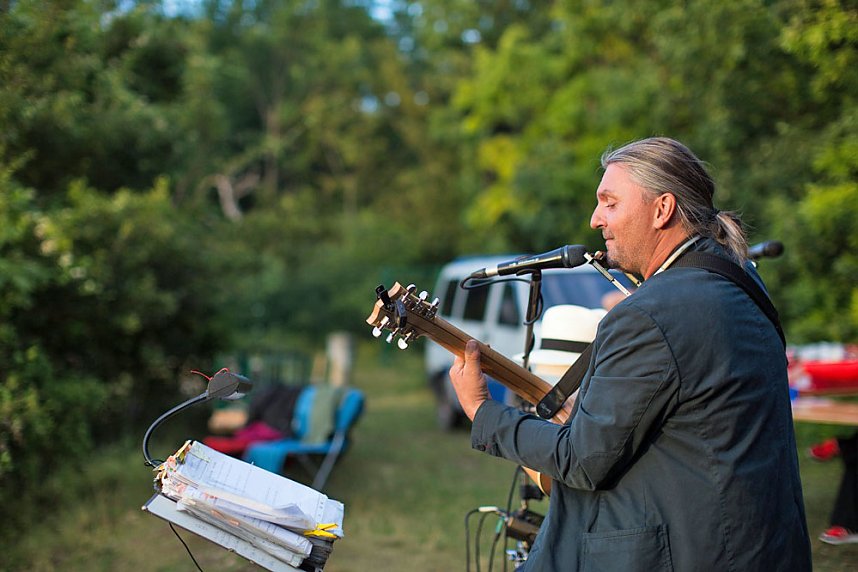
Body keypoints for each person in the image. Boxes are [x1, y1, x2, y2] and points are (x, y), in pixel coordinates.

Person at [450, 137, 812, 570]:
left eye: (610, 203)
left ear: (662, 210)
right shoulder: (741, 282)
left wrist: (482, 410)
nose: (595, 219)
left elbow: (583, 461)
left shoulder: (651, 313)